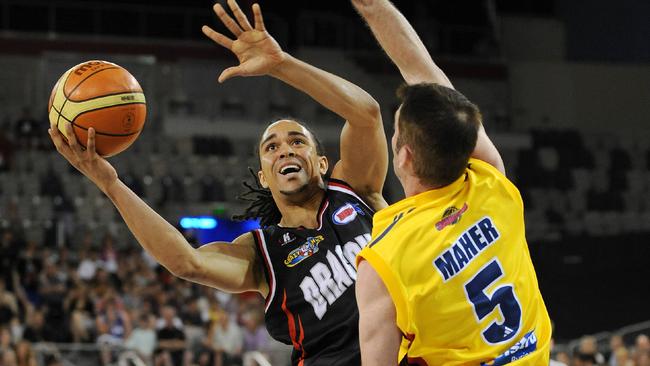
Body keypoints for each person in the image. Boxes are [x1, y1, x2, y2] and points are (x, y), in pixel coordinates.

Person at [48, 1, 387, 365]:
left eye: (297, 141)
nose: (285, 150)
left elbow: (366, 115)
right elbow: (186, 262)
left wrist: (281, 65)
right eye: (271, 148)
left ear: (322, 163)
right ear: (263, 175)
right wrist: (110, 183)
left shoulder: (354, 190)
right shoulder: (263, 252)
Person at [351, 0, 552, 365]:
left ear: (405, 156)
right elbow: (422, 72)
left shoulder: (383, 262)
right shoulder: (493, 181)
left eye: (395, 131)